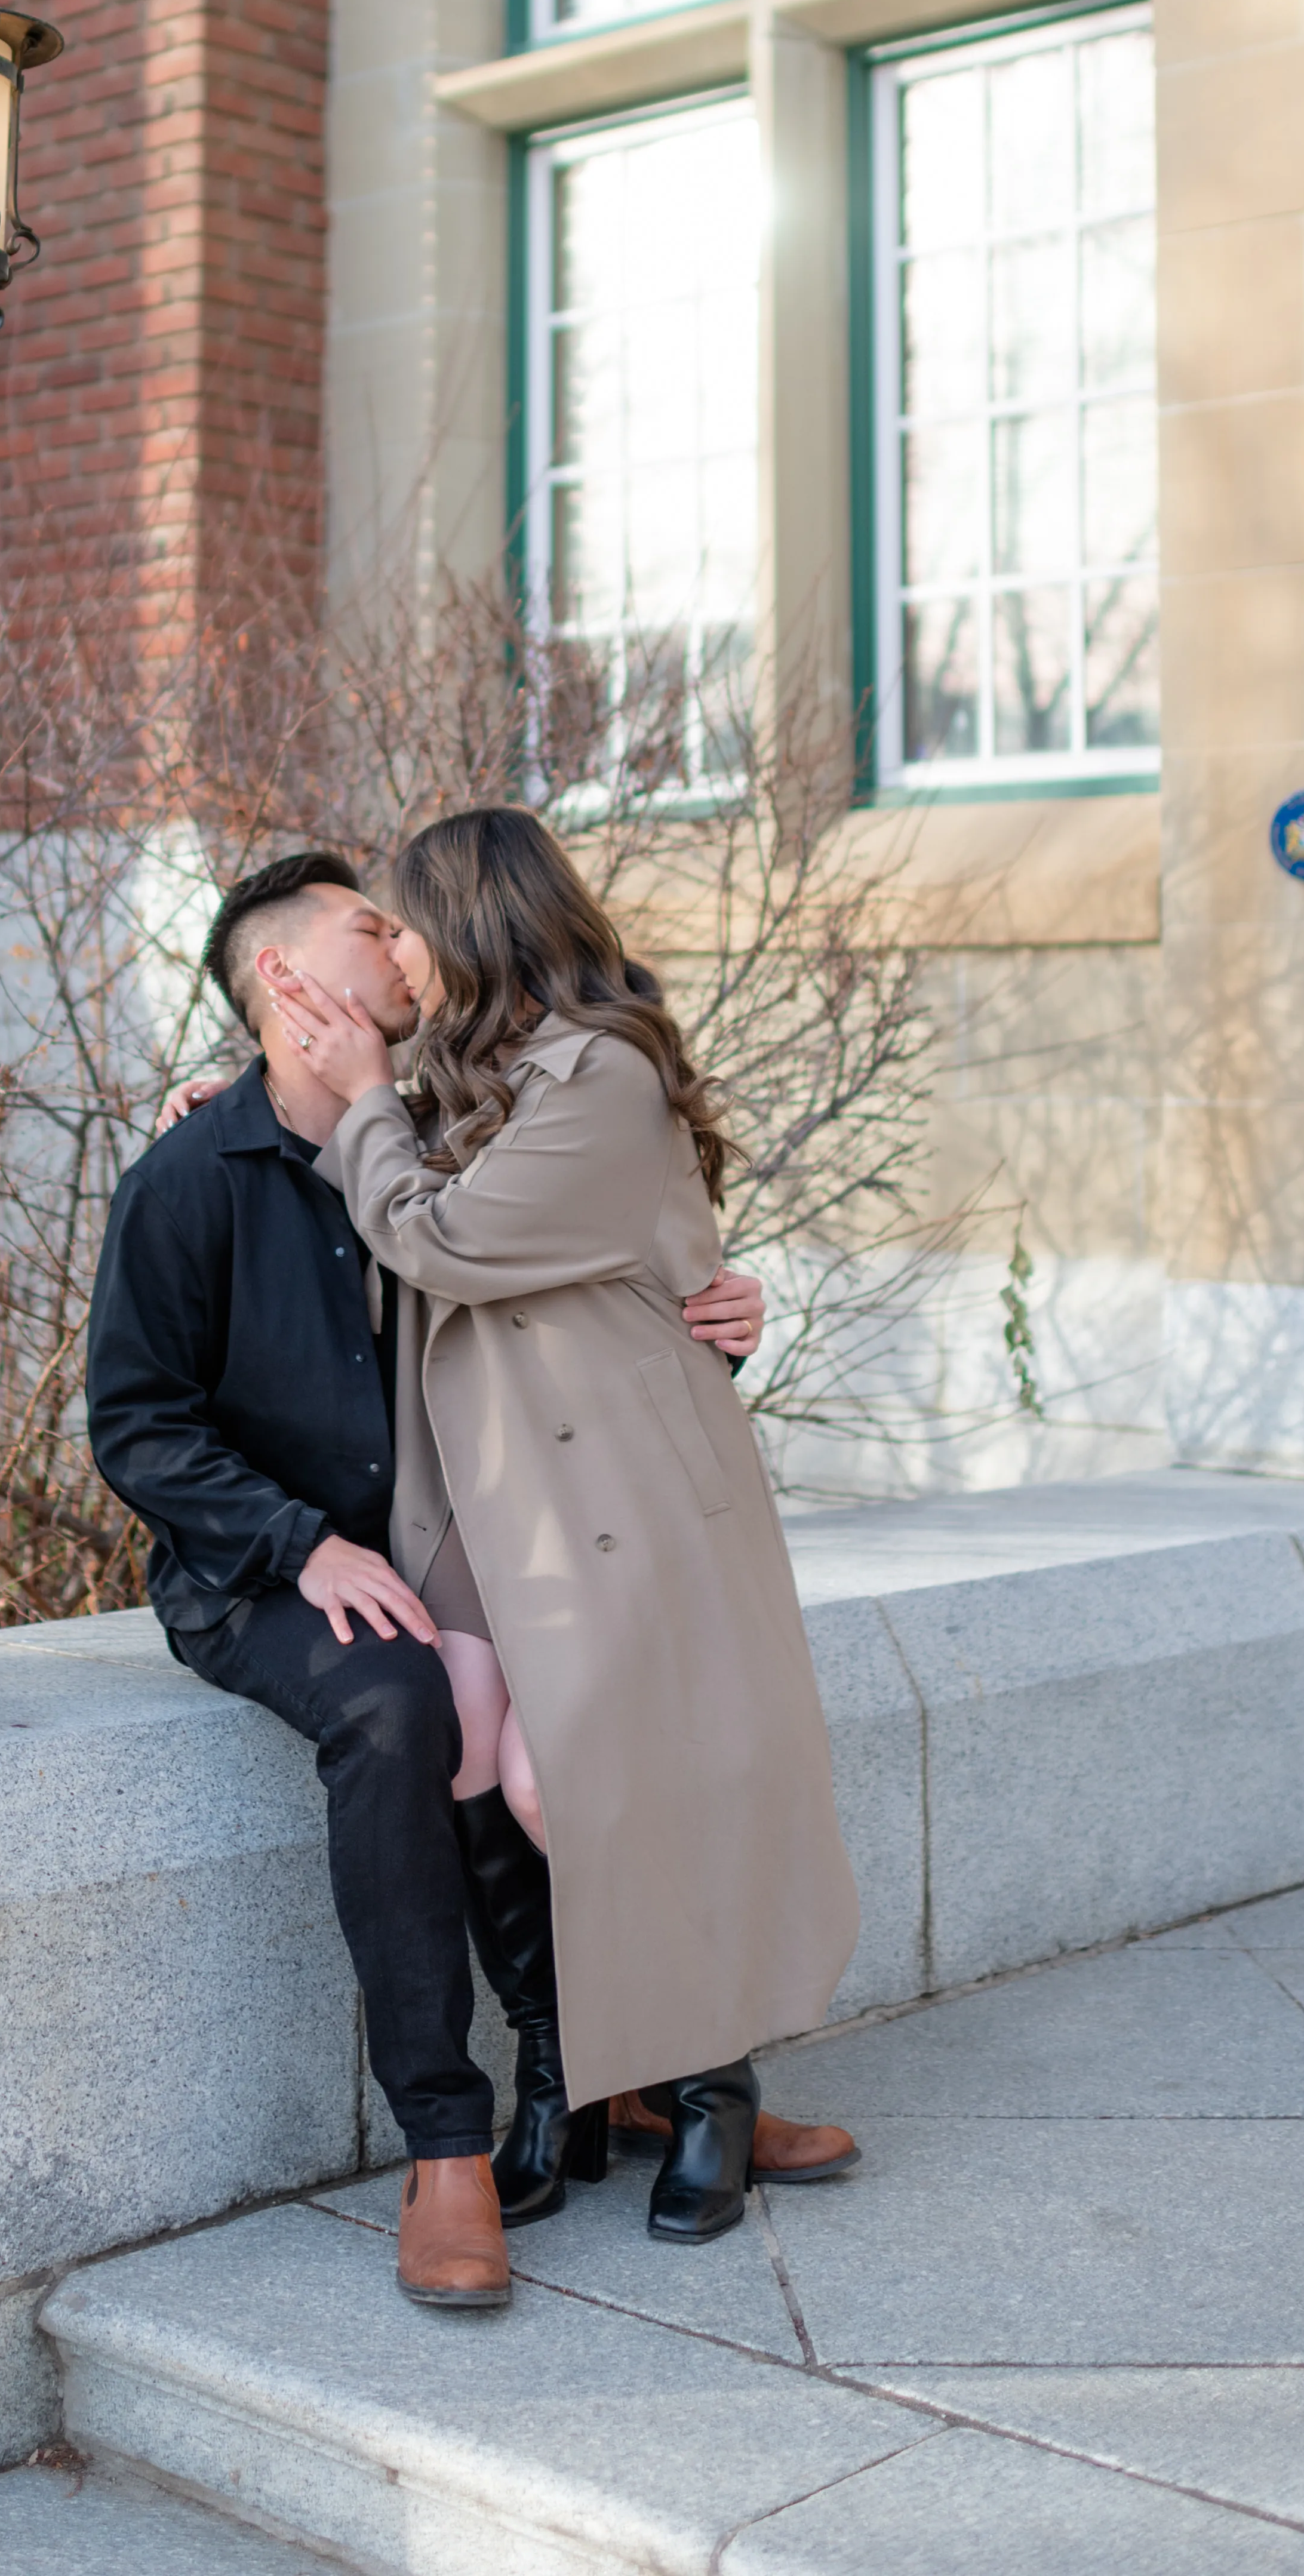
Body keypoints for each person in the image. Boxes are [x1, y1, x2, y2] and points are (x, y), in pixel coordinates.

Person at [82, 850, 780, 2312]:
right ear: (287, 979)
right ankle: (449, 2142)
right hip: (269, 1565)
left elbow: (576, 1276)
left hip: (474, 1544)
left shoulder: (456, 1128)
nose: (404, 946)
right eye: (366, 927)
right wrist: (296, 1543)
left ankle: (630, 2072)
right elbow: (138, 1424)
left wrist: (701, 1312)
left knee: (556, 1709)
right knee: (411, 1704)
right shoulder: (191, 1174)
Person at [270, 804, 862, 2251]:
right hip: (476, 1484)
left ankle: (706, 2085)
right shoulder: (464, 1070)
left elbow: (447, 1238)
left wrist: (359, 1102)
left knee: (575, 1775)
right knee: (476, 1749)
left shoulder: (600, 1070)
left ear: (471, 925)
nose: (392, 953)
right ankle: (566, 2080)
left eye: (404, 923)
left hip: (612, 1487)